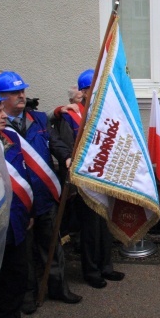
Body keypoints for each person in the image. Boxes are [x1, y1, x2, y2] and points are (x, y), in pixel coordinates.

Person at [0, 71, 82, 309]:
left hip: (44, 196)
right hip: (18, 201)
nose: (22, 96)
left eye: (23, 90)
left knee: (52, 244)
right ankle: (28, 295)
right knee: (24, 252)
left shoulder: (39, 119)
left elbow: (56, 143)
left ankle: (58, 287)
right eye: (15, 93)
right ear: (1, 97)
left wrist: (66, 157)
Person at [53, 69, 125, 289]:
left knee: (104, 225)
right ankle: (91, 270)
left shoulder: (103, 113)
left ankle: (106, 266)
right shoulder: (71, 116)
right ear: (84, 91)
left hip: (104, 178)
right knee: (90, 228)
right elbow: (68, 150)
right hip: (86, 180)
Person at [0, 88, 33, 318]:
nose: (3, 115)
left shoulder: (9, 138)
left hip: (15, 224)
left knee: (16, 279)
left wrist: (30, 211)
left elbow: (25, 175)